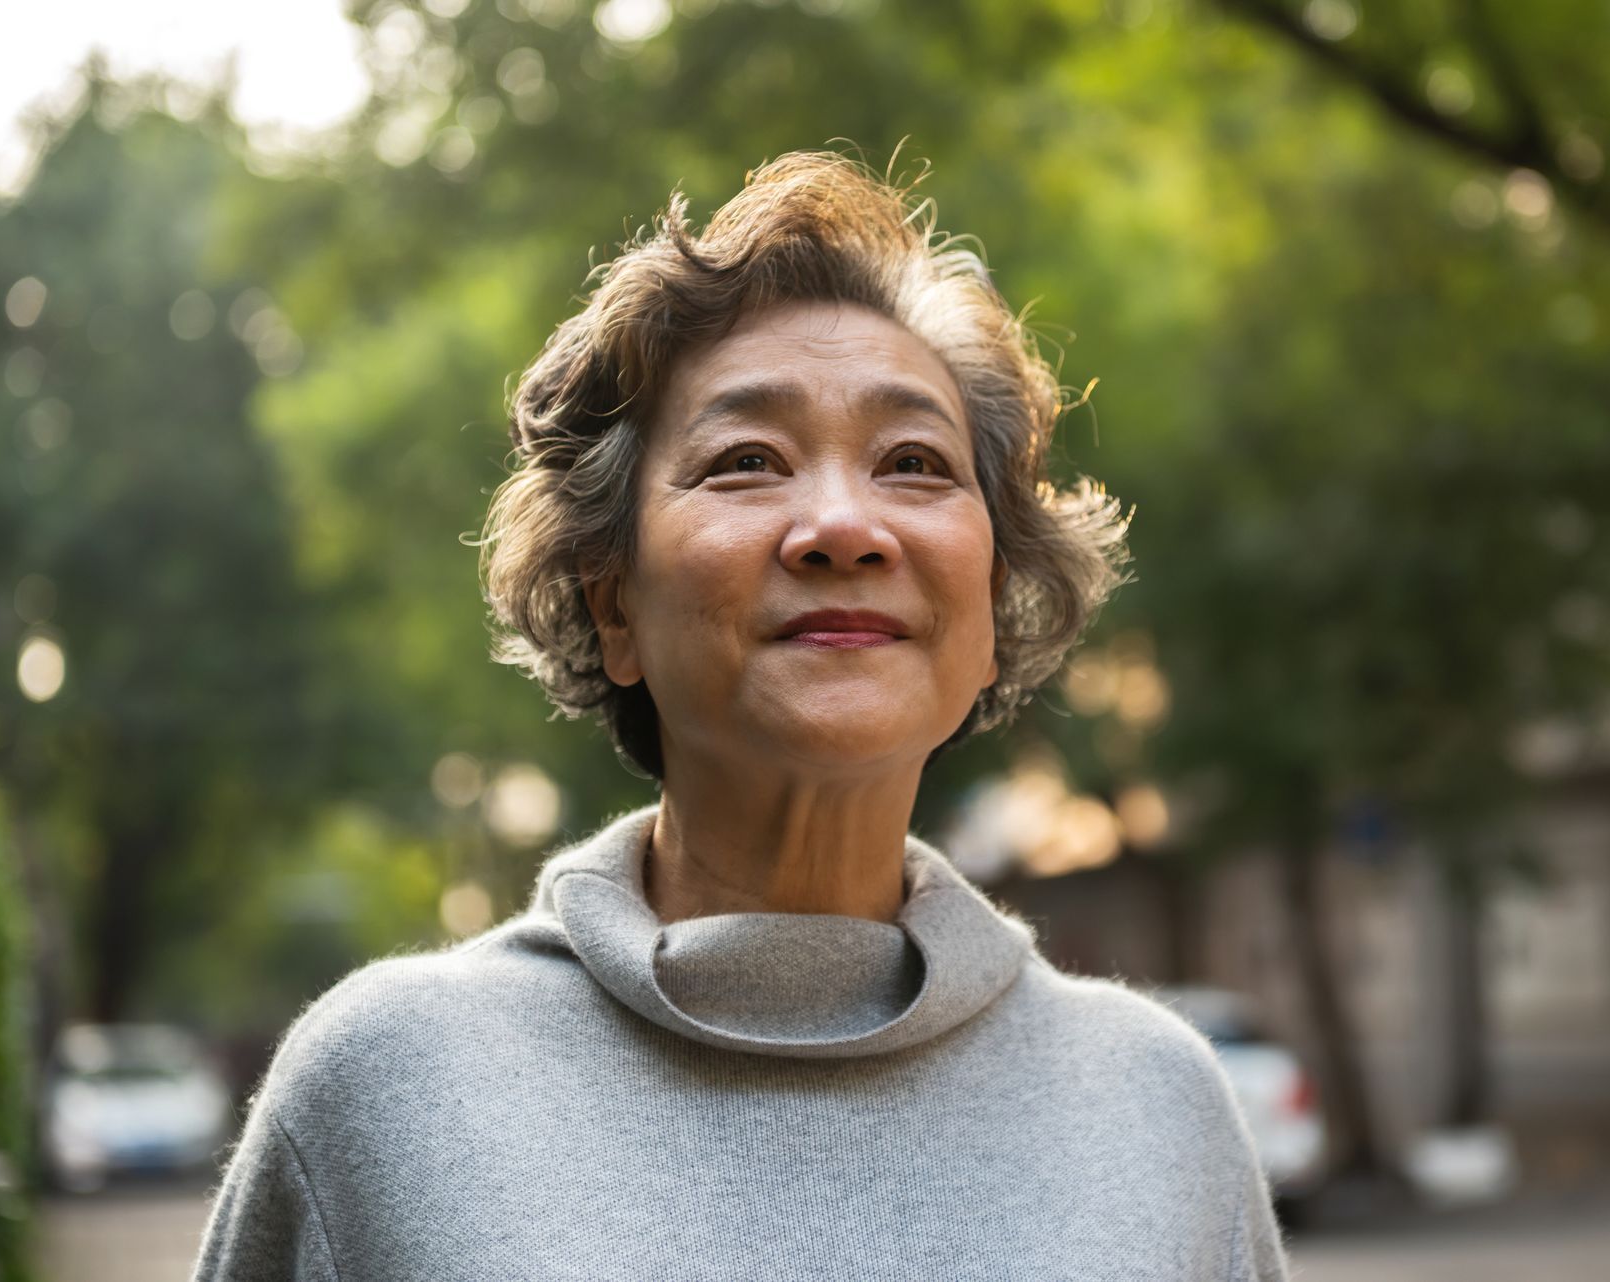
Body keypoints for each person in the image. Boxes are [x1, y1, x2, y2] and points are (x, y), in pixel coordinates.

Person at [191, 151, 1291, 1281]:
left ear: (994, 610)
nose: (842, 525)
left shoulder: (1160, 1110)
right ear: (611, 602)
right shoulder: (384, 1090)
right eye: (746, 460)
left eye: (913, 462)